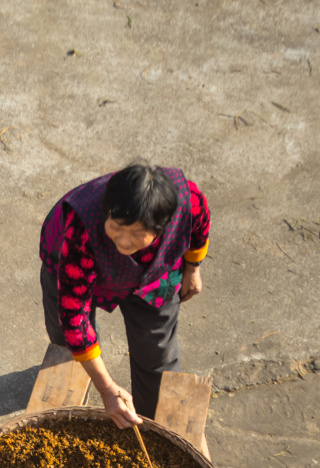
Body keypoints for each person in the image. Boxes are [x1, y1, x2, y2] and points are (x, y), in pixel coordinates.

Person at [39, 161, 210, 427]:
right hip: (74, 265)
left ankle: (151, 425)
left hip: (156, 273)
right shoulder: (80, 230)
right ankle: (80, 379)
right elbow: (74, 318)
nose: (124, 240)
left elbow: (199, 229)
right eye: (116, 227)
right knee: (66, 344)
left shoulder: (190, 201)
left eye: (138, 233)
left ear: (162, 227)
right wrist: (107, 389)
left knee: (157, 352)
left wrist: (193, 267)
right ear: (107, 212)